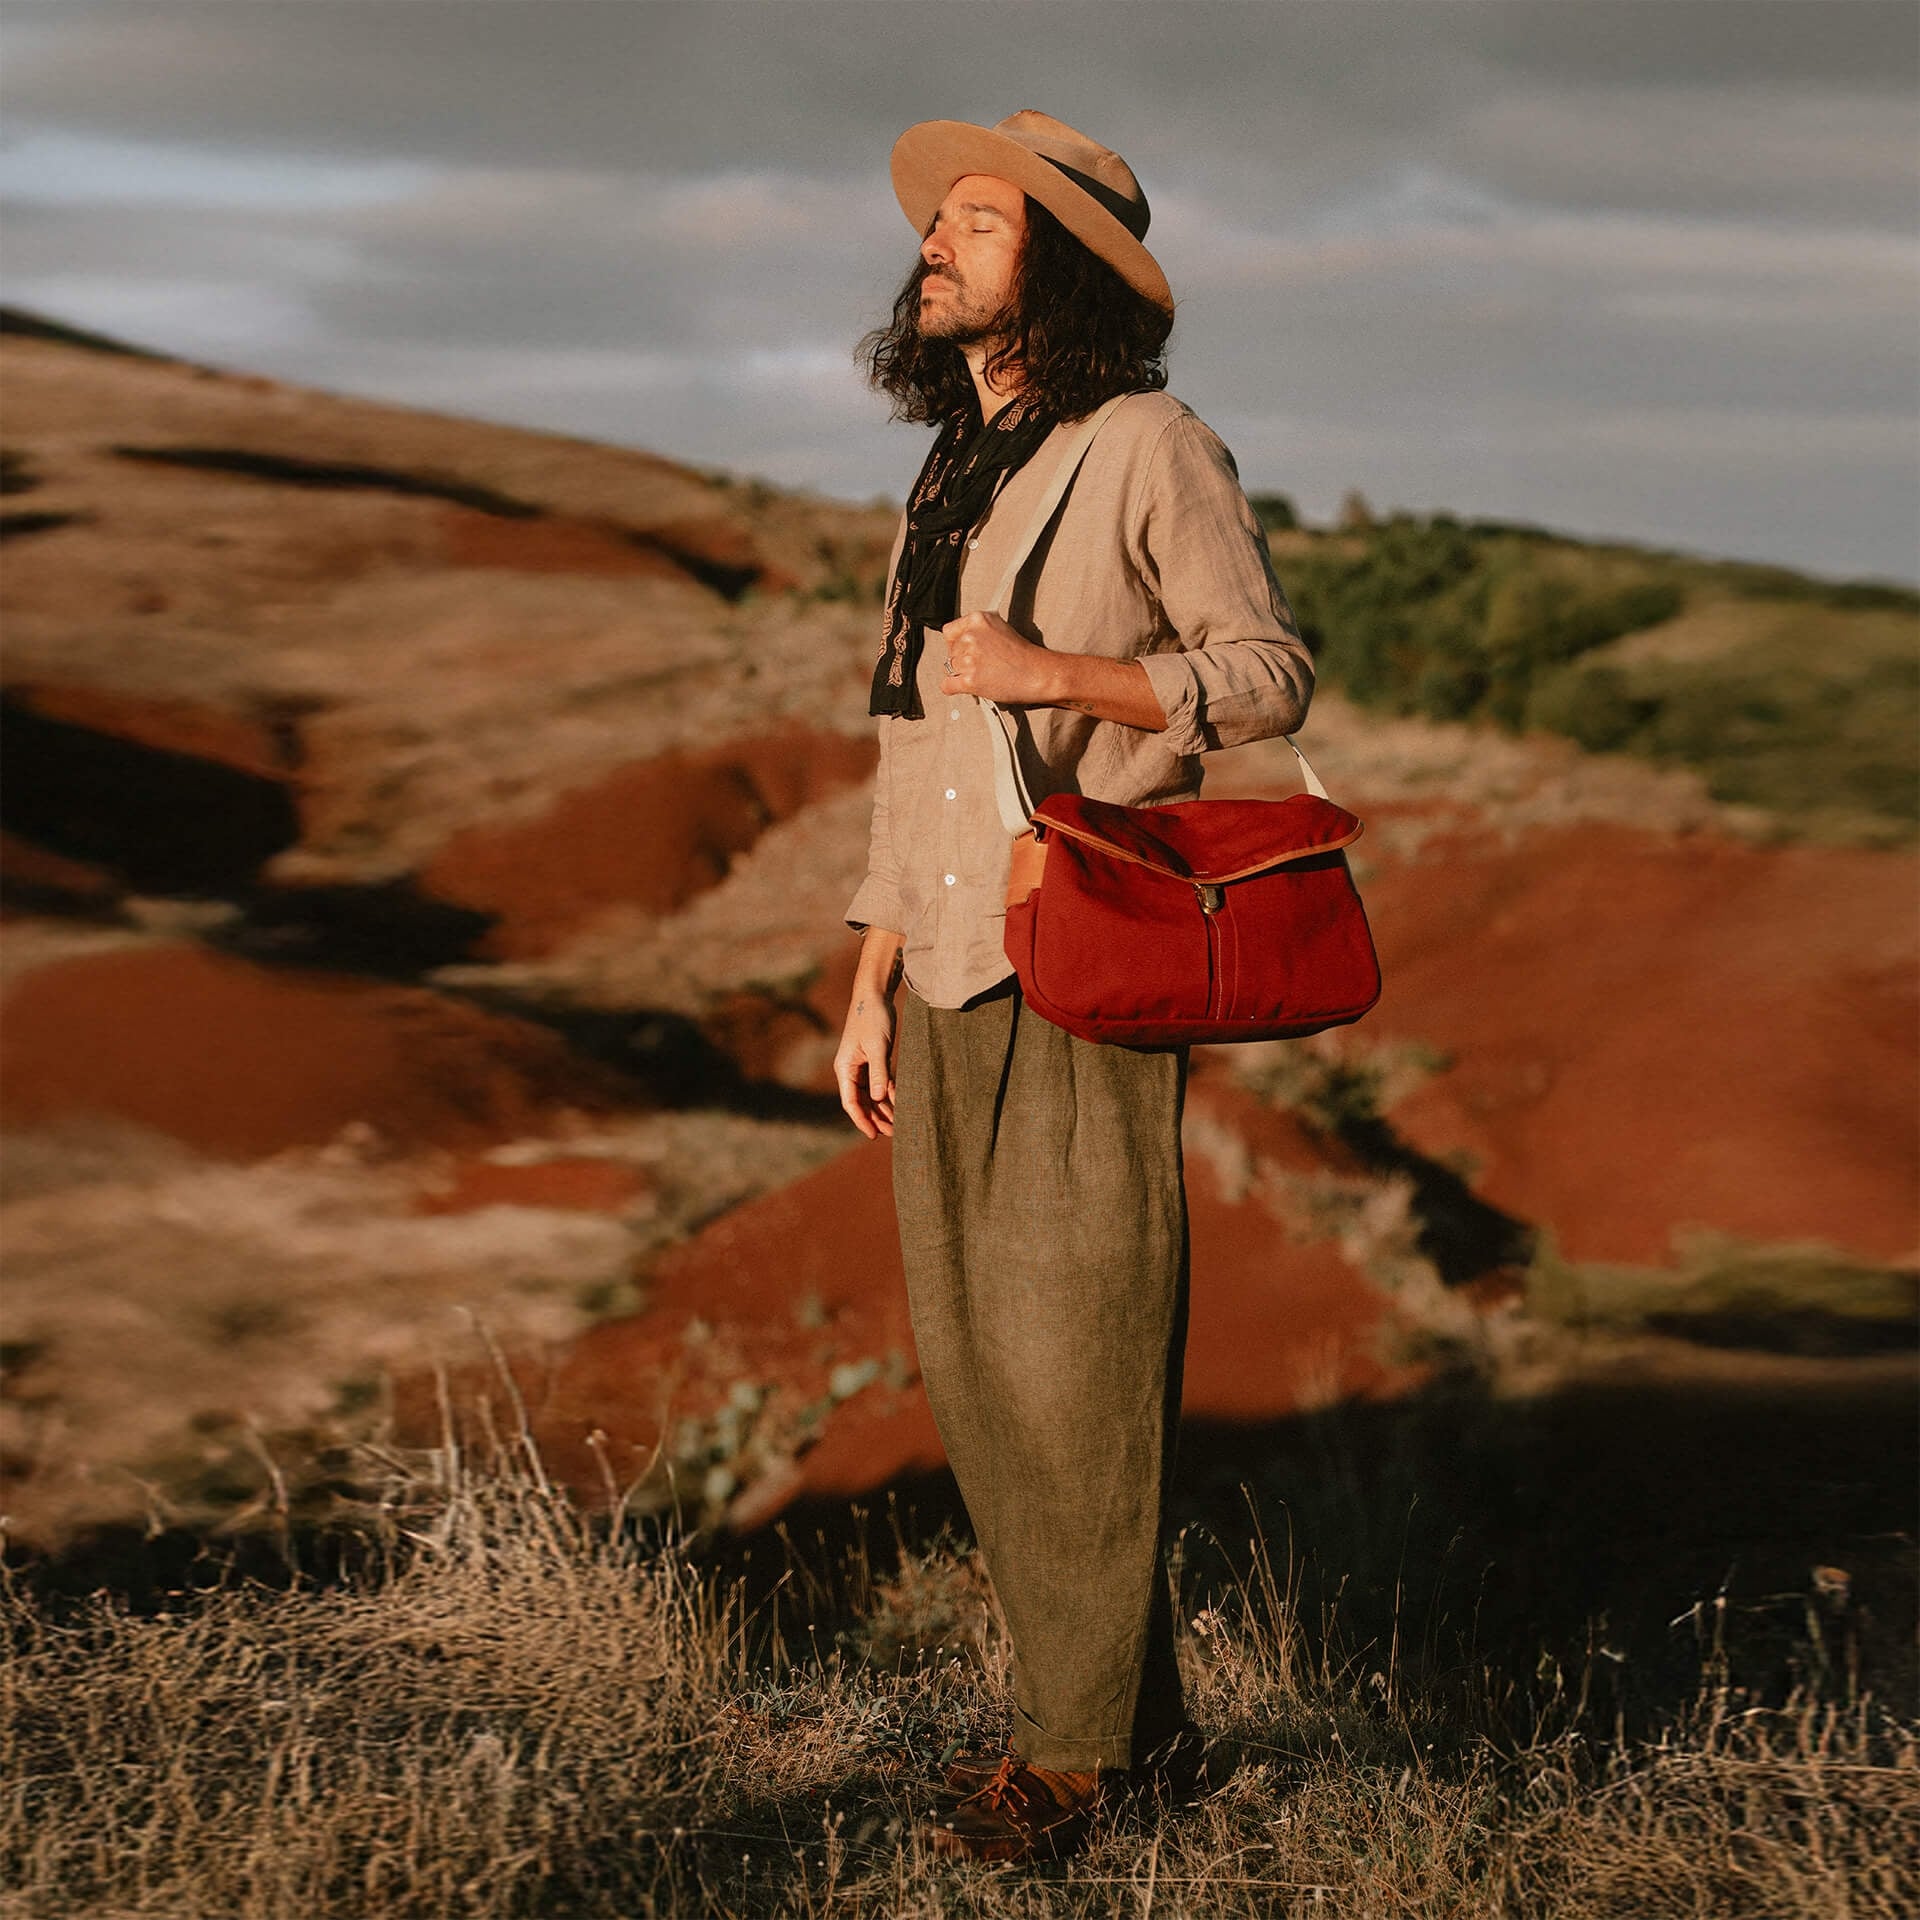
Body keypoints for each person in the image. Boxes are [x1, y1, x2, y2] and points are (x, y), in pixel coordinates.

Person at [833, 109, 1315, 1866]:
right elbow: (909, 752)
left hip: (1080, 957)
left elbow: (1265, 677)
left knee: (1081, 1366)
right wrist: (870, 978)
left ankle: (1077, 1761)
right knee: (978, 1367)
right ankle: (1142, 1737)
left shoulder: (1147, 446)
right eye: (943, 217)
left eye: (985, 219)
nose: (941, 241)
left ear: (1075, 274)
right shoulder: (950, 473)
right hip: (944, 968)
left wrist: (1066, 675)